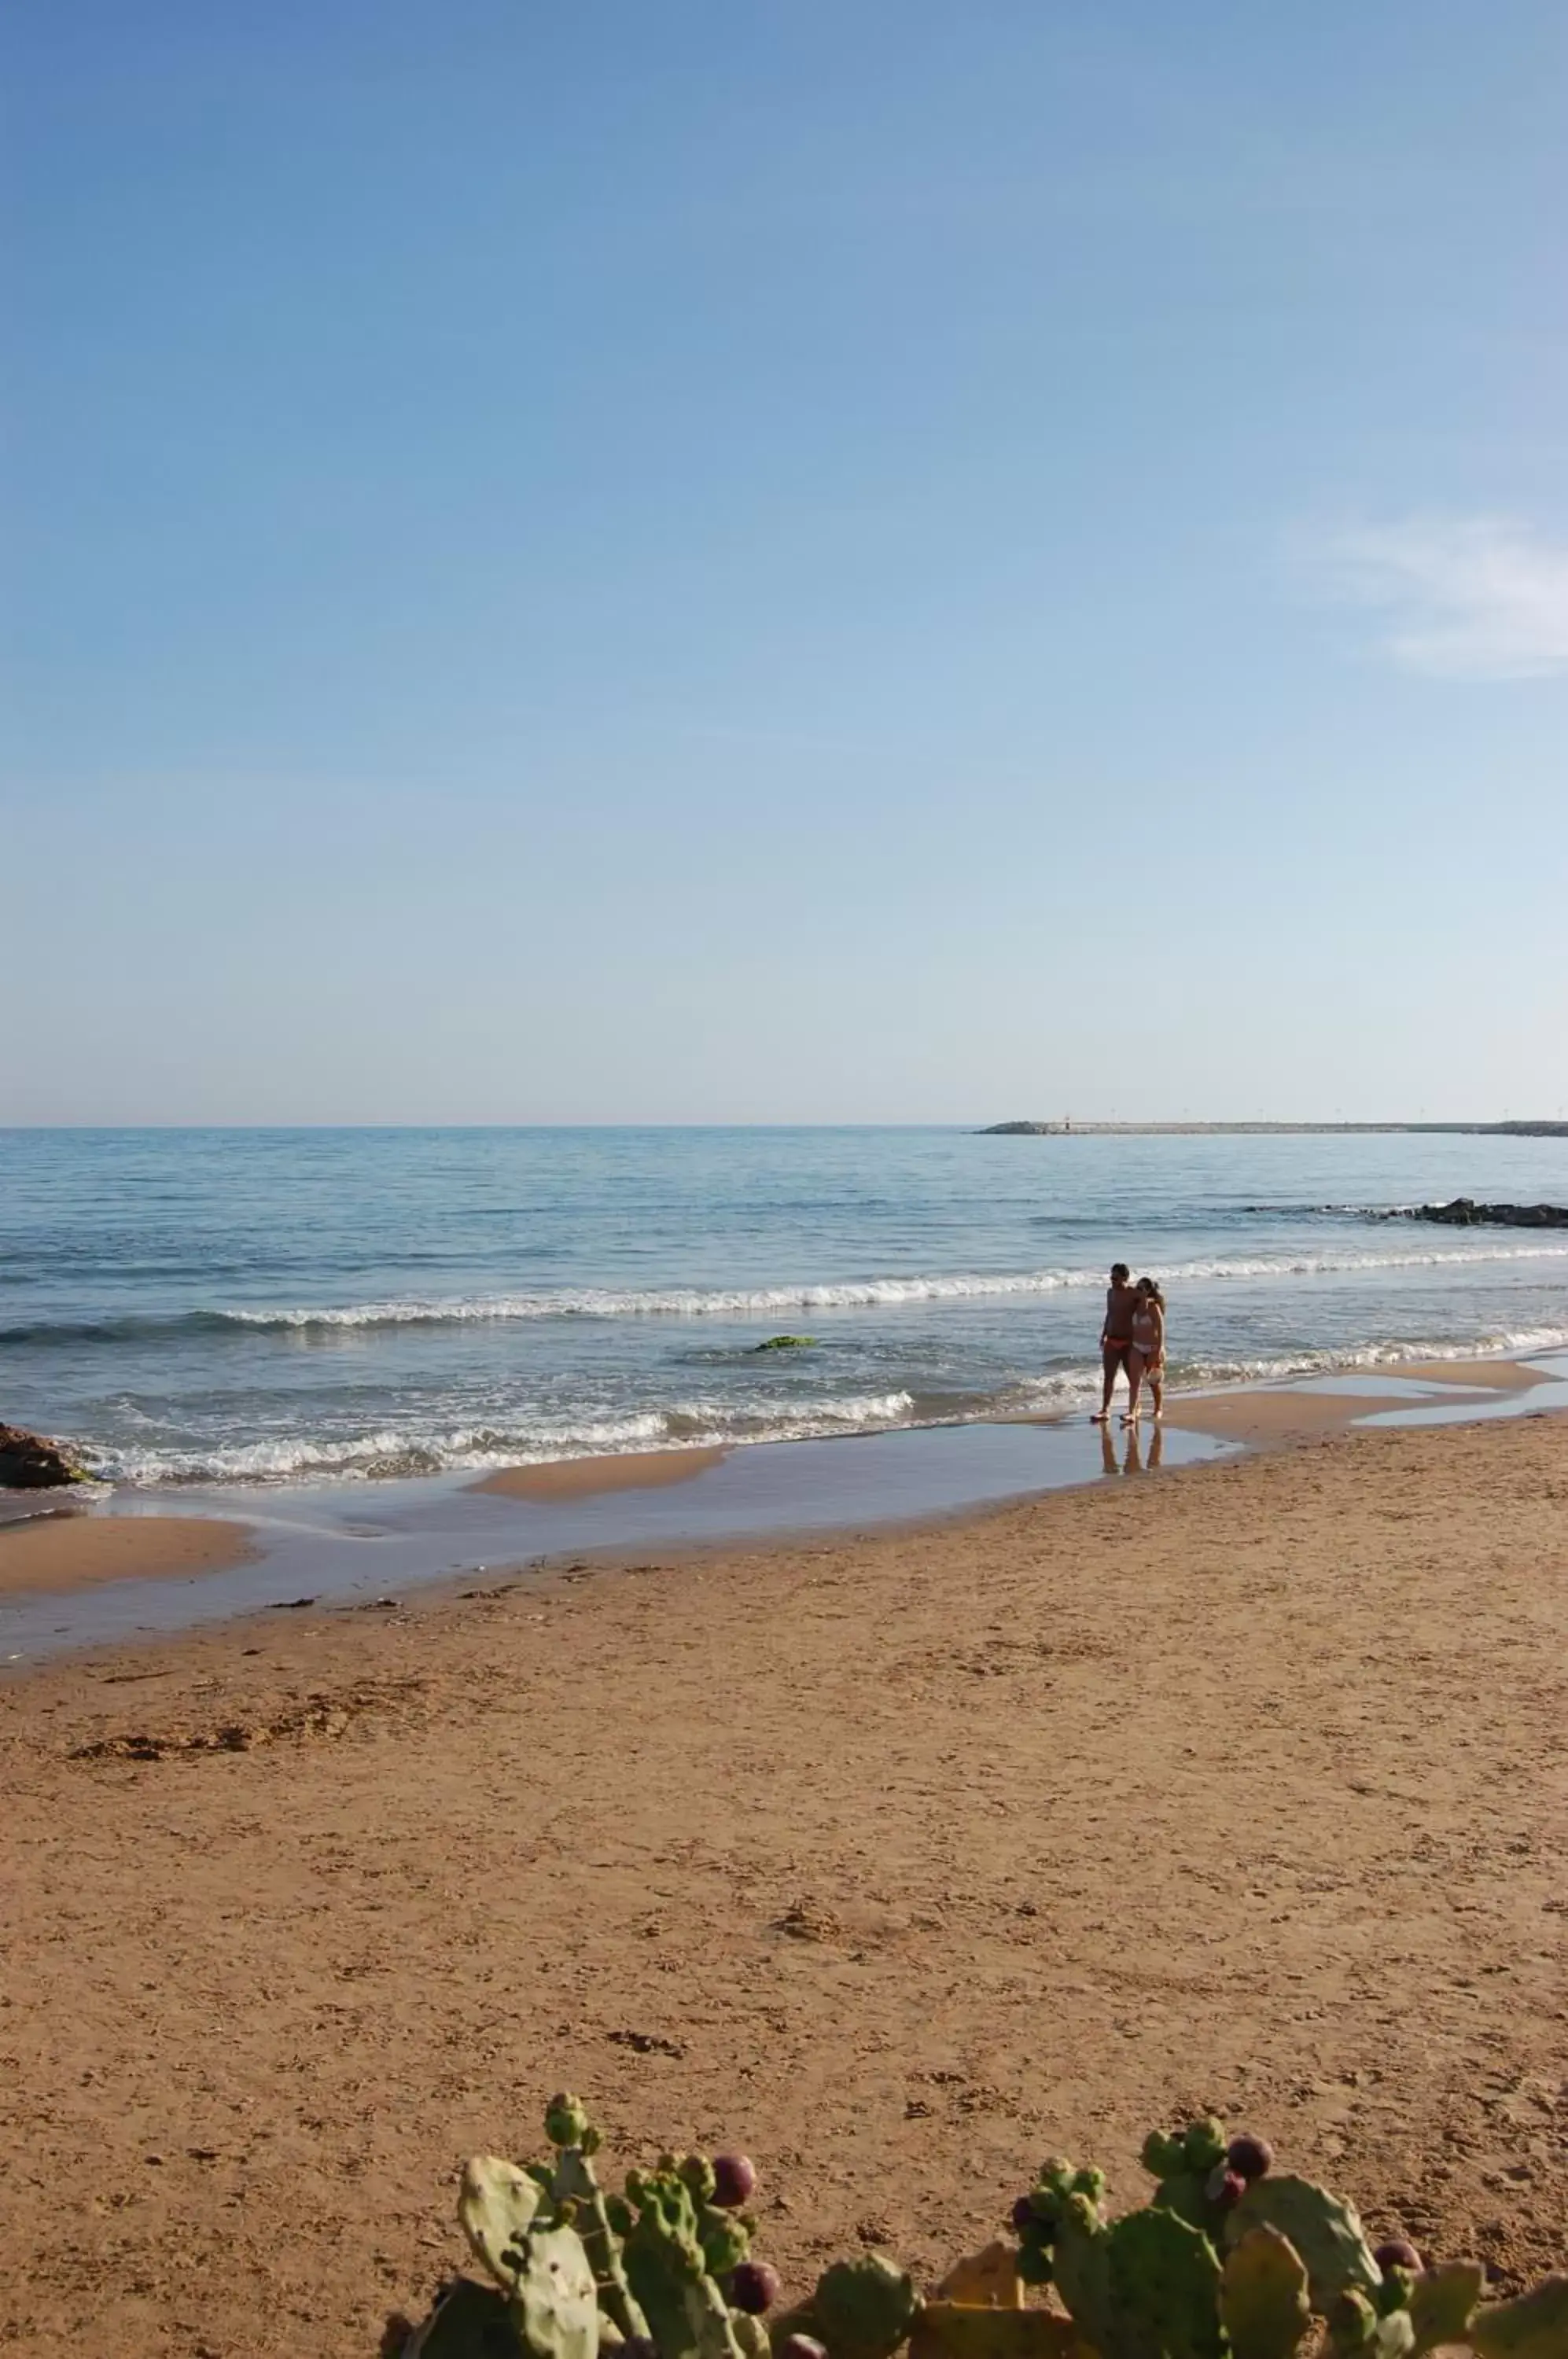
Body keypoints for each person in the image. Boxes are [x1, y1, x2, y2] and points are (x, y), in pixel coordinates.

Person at [1092, 1262, 1139, 1422]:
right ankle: (1105, 1409)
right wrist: (1104, 1334)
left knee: (1132, 1377)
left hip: (1129, 1341)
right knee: (1109, 1376)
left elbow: (1148, 1310)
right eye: (1111, 1277)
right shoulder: (1110, 1293)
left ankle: (1134, 1408)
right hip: (1112, 1339)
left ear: (1125, 1278)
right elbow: (1109, 1314)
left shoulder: (1134, 1294)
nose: (1112, 1280)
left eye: (1116, 1278)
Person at [1125, 1277, 1166, 1424]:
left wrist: (1159, 1350)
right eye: (1138, 1288)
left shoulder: (1154, 1307)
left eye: (1141, 1289)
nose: (1138, 1291)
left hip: (1153, 1348)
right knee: (1134, 1381)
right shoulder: (1135, 1307)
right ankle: (1132, 1412)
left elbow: (1161, 1331)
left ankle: (1158, 1408)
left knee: (1153, 1382)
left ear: (1148, 1291)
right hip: (1137, 1346)